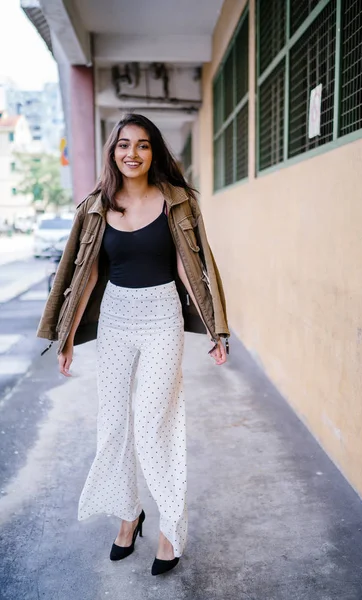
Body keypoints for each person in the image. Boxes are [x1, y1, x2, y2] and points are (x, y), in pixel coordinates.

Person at [36, 113, 230, 576]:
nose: (133, 154)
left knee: (153, 425)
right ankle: (129, 516)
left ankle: (170, 527)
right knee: (114, 426)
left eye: (143, 145)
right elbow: (86, 275)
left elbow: (192, 266)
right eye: (124, 145)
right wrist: (67, 337)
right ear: (113, 152)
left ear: (154, 151)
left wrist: (215, 327)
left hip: (162, 315)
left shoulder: (177, 202)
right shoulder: (96, 205)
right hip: (117, 319)